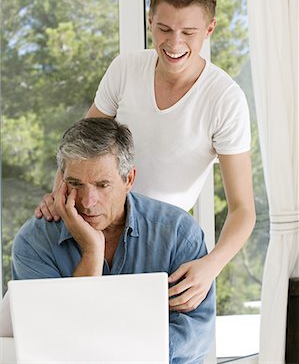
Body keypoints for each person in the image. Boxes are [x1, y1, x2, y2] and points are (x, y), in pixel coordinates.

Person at [35, 0, 256, 312]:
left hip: (159, 241)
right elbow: (81, 143)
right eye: (164, 29)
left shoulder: (225, 98)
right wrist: (59, 195)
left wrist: (211, 266)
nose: (174, 43)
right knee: (66, 321)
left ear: (209, 30)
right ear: (150, 20)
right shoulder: (125, 68)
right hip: (98, 217)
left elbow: (243, 210)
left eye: (189, 32)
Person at [12, 117, 215, 364]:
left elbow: (196, 334)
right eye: (76, 184)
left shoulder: (178, 233)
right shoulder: (35, 242)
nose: (87, 201)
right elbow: (52, 341)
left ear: (128, 179)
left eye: (102, 185)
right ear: (62, 182)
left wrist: (117, 350)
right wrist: (92, 252)